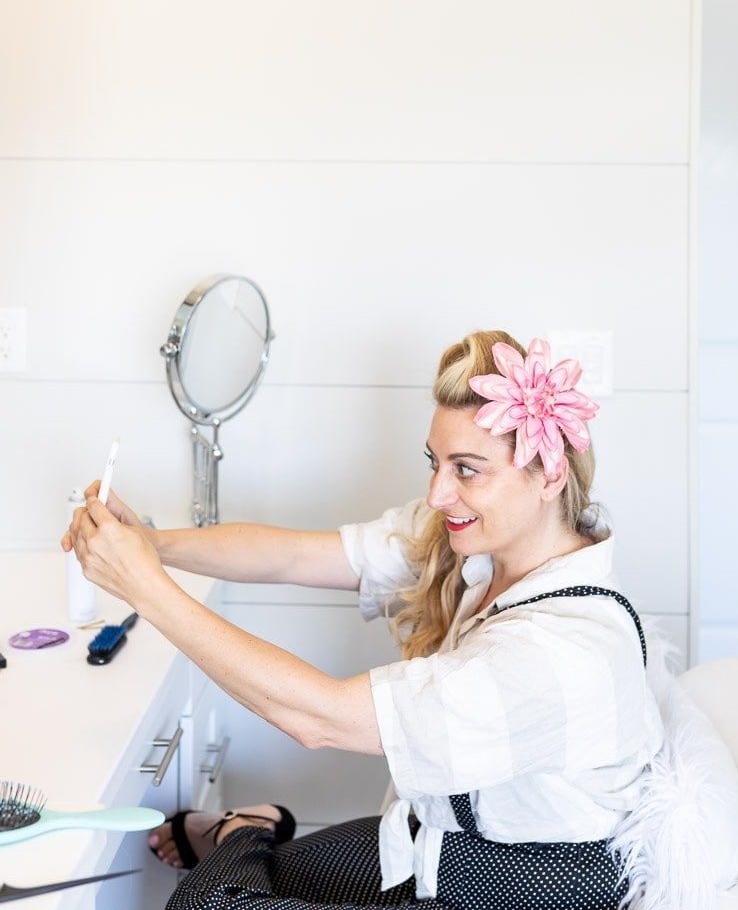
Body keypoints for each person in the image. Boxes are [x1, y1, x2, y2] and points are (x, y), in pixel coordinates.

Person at [65, 330, 663, 910]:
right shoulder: (482, 551)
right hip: (433, 848)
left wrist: (145, 586)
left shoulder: (560, 653)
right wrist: (150, 543)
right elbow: (295, 555)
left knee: (207, 904)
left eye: (467, 469)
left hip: (510, 891)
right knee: (267, 878)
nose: (437, 494)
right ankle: (253, 829)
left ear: (550, 474)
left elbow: (319, 718)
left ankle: (237, 833)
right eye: (435, 463)